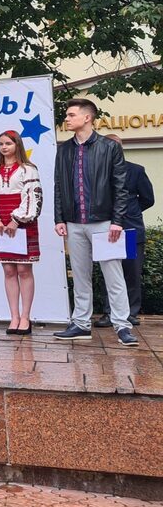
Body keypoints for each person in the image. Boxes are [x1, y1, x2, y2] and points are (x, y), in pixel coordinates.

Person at [52, 98, 136, 346]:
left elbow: (121, 187)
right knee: (80, 277)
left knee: (114, 276)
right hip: (74, 223)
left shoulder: (109, 147)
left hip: (104, 223)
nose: (67, 119)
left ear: (87, 117)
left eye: (71, 115)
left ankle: (123, 326)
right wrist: (59, 218)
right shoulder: (64, 150)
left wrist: (117, 221)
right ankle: (81, 324)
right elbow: (59, 186)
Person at [0, 130, 42, 335]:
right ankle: (13, 316)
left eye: (8, 143)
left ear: (17, 145)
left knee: (24, 270)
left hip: (22, 223)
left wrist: (16, 220)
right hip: (0, 223)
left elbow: (33, 196)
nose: (4, 147)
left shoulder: (28, 169)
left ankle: (25, 317)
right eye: (1, 144)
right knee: (8, 270)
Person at [93, 135, 154, 328]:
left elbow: (148, 199)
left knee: (131, 272)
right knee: (108, 272)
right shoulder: (95, 172)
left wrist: (129, 212)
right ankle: (109, 313)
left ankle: (130, 313)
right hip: (104, 229)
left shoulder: (136, 170)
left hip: (130, 230)